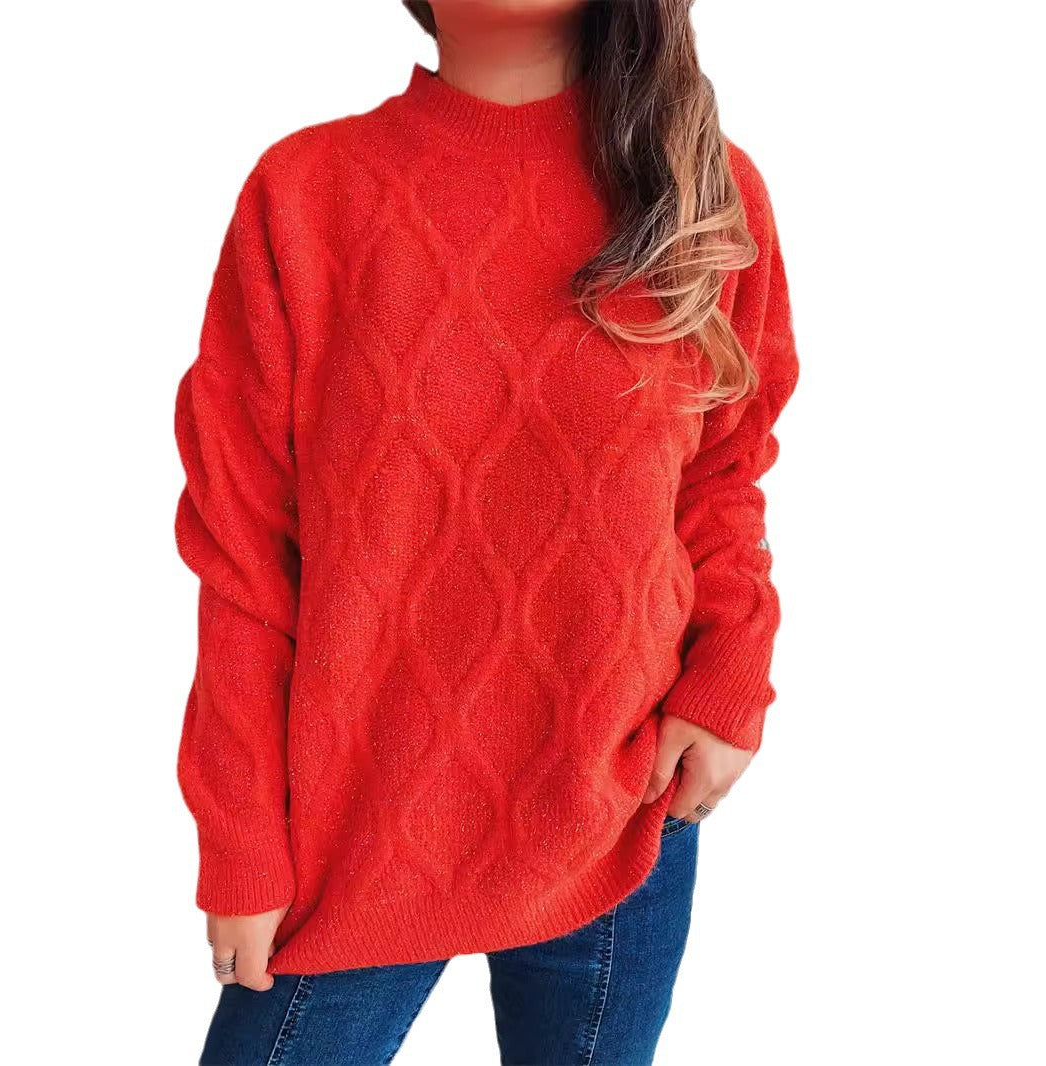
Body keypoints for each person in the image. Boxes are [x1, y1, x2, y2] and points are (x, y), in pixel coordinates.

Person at [172, 1, 800, 1062]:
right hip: (353, 823)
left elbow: (723, 470)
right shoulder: (305, 193)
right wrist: (240, 838)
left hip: (620, 802)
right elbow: (241, 552)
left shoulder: (700, 192)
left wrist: (733, 668)